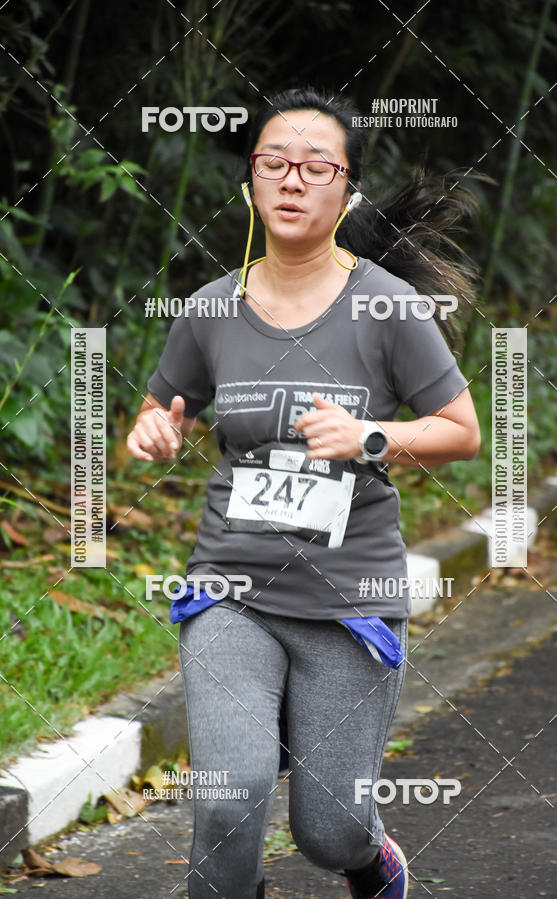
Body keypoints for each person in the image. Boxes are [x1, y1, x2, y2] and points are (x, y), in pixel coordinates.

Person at [127, 86, 481, 899]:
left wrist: (371, 437)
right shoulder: (212, 308)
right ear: (251, 181)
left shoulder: (389, 306)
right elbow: (159, 407)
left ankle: (373, 857)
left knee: (330, 831)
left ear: (346, 188)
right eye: (274, 163)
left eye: (316, 166)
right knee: (232, 797)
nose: (292, 180)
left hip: (349, 595)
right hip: (231, 586)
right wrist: (154, 431)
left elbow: (461, 430)